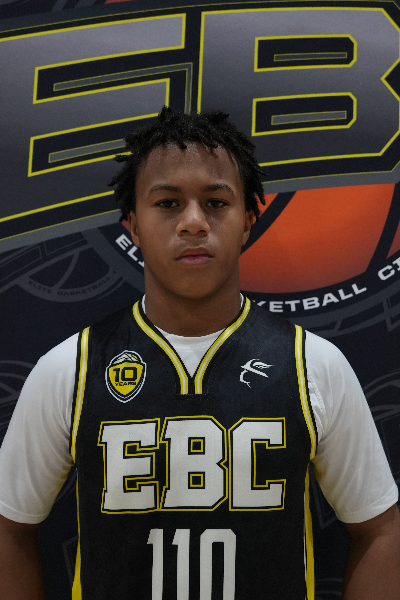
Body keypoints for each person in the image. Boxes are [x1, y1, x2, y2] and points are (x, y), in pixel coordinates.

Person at [0, 107, 399, 600]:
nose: (193, 223)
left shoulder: (313, 366)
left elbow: (379, 530)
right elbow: (9, 529)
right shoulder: (70, 370)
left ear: (248, 221)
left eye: (215, 202)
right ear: (133, 225)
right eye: (168, 203)